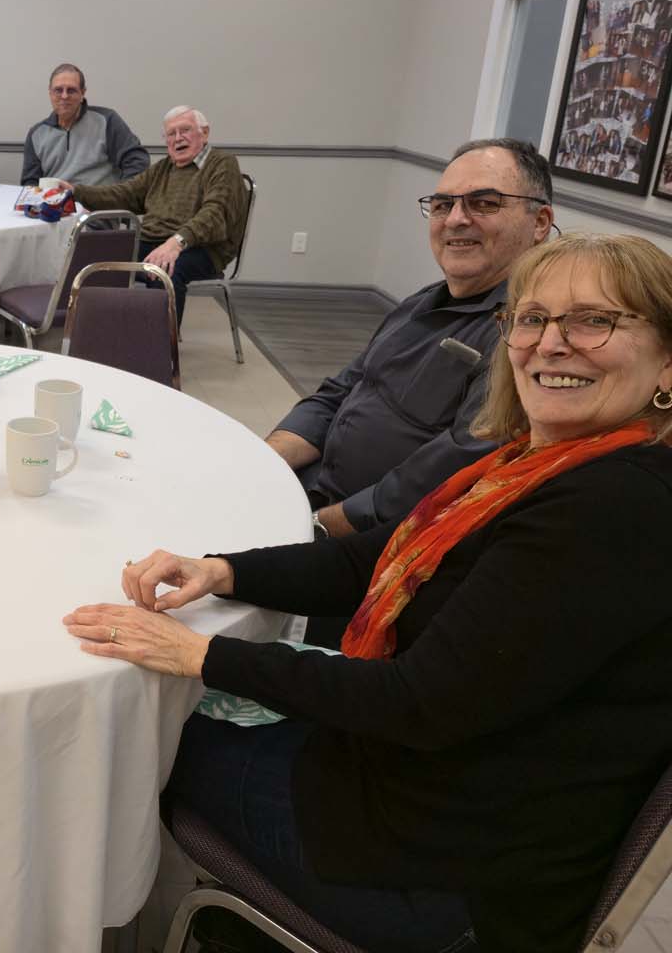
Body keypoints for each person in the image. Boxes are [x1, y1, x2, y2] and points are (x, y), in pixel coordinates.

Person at [66, 232, 672, 953]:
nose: (550, 343)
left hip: (438, 869)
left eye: (592, 320)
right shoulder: (547, 463)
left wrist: (202, 654)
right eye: (532, 319)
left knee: (133, 747)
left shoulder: (607, 510)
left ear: (668, 363)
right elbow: (385, 556)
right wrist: (225, 570)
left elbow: (414, 702)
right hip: (441, 794)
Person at [267, 139, 553, 541]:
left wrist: (313, 528)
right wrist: (264, 464)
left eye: (484, 203)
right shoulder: (423, 301)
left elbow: (444, 481)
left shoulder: (525, 336)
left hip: (369, 539)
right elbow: (339, 391)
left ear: (539, 222)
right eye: (442, 205)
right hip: (310, 490)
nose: (455, 219)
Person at [51, 106, 245, 322]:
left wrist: (175, 243)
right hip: (152, 241)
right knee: (92, 255)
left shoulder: (222, 163)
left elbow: (215, 212)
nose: (178, 138)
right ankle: (97, 331)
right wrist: (76, 191)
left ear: (204, 133)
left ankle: (160, 350)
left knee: (164, 270)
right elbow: (124, 193)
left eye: (185, 130)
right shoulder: (163, 168)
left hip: (202, 247)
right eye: (171, 134)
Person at [20, 62, 147, 186]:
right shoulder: (36, 134)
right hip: (55, 205)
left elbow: (137, 160)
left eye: (71, 90)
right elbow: (30, 183)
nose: (64, 96)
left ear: (82, 93)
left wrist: (122, 196)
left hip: (100, 205)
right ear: (50, 93)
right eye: (58, 90)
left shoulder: (107, 120)